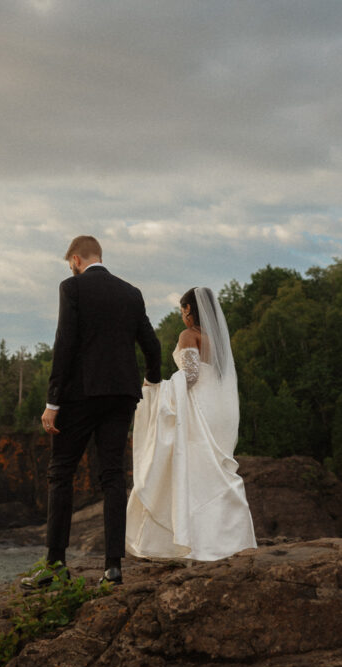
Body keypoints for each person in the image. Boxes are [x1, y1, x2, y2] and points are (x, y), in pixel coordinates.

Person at [31, 235, 162, 587]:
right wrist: (152, 380)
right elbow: (150, 343)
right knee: (113, 476)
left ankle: (55, 566)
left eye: (69, 263)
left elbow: (65, 342)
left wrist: (52, 402)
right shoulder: (130, 293)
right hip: (122, 394)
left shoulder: (72, 288)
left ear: (75, 259)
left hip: (81, 395)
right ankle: (113, 567)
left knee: (60, 473)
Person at [125, 286, 257, 561]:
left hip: (197, 407)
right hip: (218, 409)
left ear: (189, 311)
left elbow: (192, 376)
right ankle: (229, 540)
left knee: (195, 471)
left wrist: (155, 389)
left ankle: (194, 542)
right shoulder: (218, 341)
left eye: (182, 310)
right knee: (216, 471)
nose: (182, 316)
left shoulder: (189, 335)